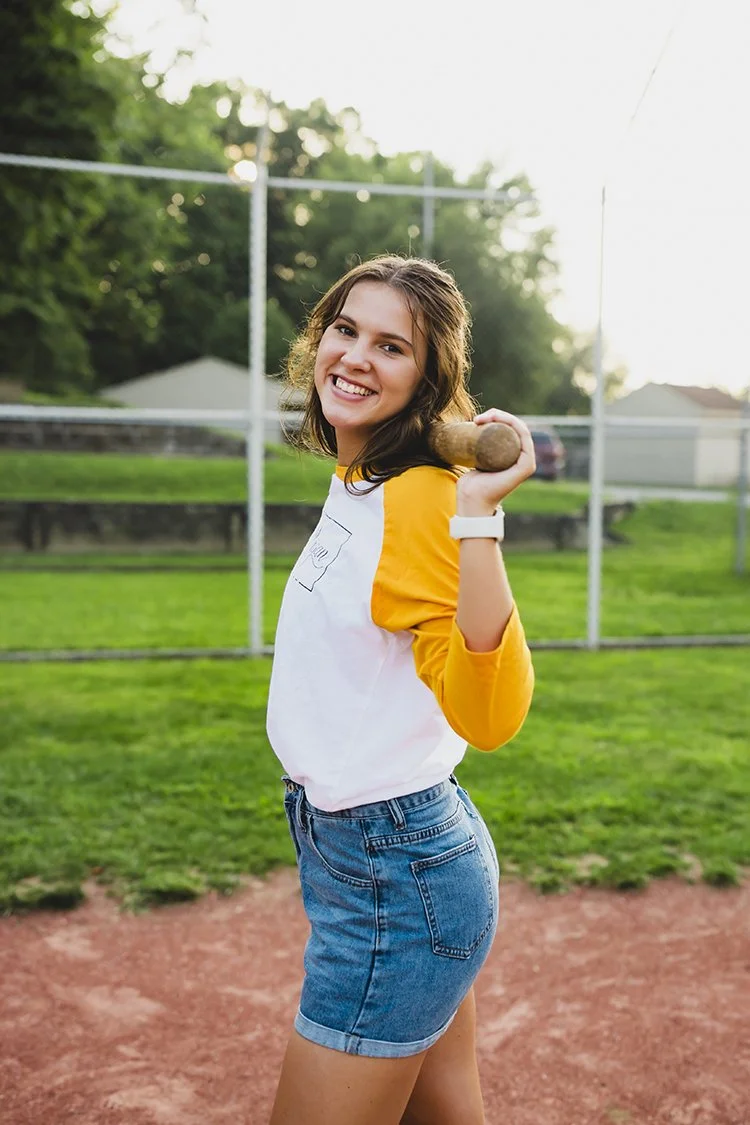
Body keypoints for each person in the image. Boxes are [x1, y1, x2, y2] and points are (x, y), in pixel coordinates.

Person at [266, 255, 535, 1125]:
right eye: (345, 329)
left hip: (396, 873)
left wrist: (478, 517)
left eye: (391, 345)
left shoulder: (420, 500)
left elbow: (488, 713)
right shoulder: (361, 479)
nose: (353, 356)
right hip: (379, 857)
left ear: (427, 381)